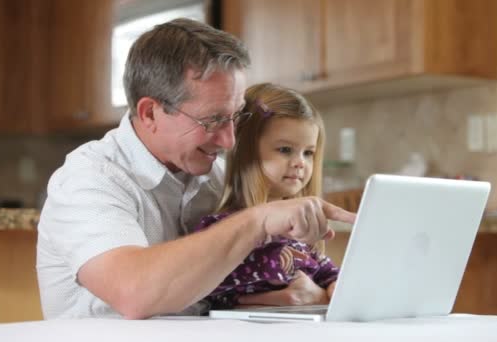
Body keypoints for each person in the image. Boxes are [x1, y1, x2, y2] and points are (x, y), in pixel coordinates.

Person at [36, 18, 355, 320]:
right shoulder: (91, 179)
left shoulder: (216, 177)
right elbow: (134, 292)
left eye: (237, 116)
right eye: (213, 120)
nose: (229, 141)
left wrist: (311, 296)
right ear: (150, 113)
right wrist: (257, 220)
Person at [193, 83, 339, 309]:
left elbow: (325, 270)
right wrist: (281, 263)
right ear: (245, 153)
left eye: (308, 152)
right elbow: (210, 292)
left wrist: (334, 286)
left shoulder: (299, 230)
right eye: (285, 150)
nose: (300, 162)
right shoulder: (219, 228)